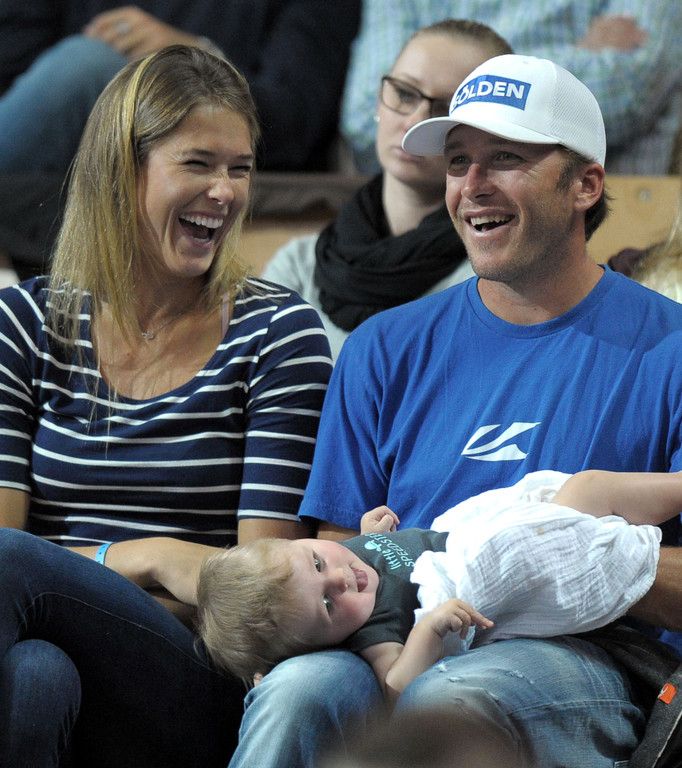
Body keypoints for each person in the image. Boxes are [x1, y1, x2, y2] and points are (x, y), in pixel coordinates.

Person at [229, 54, 682, 768]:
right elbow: (345, 553)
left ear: (586, 185)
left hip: (592, 655)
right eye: (458, 161)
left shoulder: (671, 348)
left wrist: (562, 566)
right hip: (401, 638)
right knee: (298, 692)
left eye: (505, 159)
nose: (472, 187)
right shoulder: (382, 346)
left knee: (452, 699)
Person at [0, 45, 332, 766]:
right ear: (122, 172)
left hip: (196, 669)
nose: (224, 192)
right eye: (198, 164)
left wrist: (81, 581)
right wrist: (154, 557)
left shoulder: (278, 335)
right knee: (35, 677)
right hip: (36, 646)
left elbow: (261, 592)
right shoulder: (24, 324)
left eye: (240, 168)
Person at [197, 468, 670, 696]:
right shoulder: (373, 630)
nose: (343, 579)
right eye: (327, 605)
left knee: (586, 487)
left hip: (464, 530)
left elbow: (361, 557)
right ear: (320, 645)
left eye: (318, 562)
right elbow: (395, 686)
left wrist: (371, 534)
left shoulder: (350, 556)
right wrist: (426, 632)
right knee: (587, 494)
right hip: (479, 564)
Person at [263, 19, 511, 359]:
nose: (414, 121)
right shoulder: (300, 265)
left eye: (447, 109)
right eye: (404, 94)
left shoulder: (493, 280)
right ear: (379, 102)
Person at [0, 1, 360, 174]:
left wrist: (196, 61)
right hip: (57, 166)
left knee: (86, 64)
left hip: (208, 155)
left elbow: (293, 118)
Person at [341, 1, 682, 175]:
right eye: (408, 93)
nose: (419, 116)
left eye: (445, 103)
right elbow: (363, 117)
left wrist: (446, 72)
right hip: (443, 220)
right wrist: (576, 56)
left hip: (608, 223)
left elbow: (630, 90)